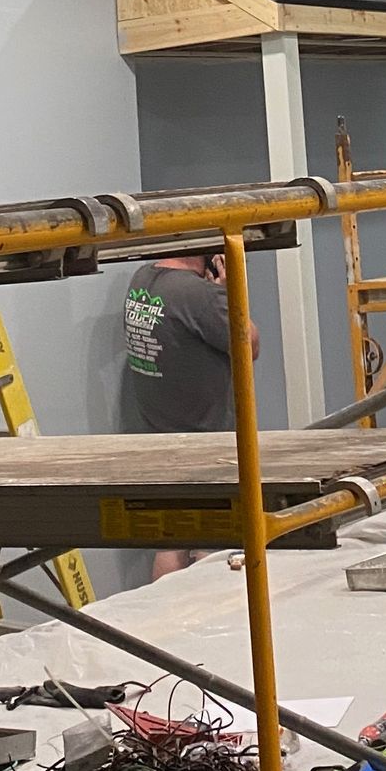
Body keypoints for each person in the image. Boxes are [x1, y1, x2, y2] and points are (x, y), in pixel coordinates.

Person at [122, 247, 259, 576]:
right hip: (205, 440)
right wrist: (227, 293)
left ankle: (162, 621)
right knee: (210, 547)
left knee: (170, 540)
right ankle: (207, 620)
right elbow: (250, 345)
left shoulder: (141, 281)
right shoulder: (198, 294)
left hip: (159, 435)